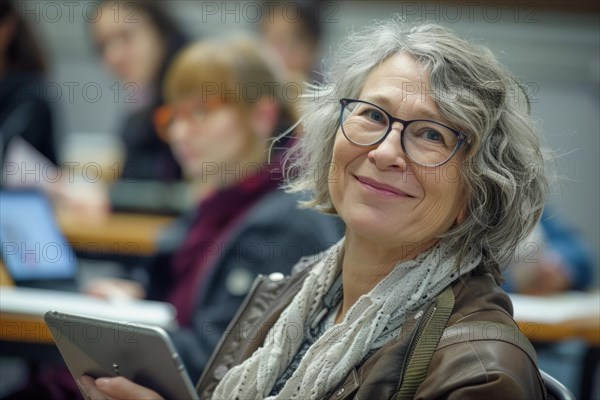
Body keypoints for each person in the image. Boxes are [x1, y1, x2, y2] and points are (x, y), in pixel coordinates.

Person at [80, 18, 550, 399]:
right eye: (373, 115)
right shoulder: (290, 295)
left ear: (478, 190)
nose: (387, 151)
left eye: (432, 134)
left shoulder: (482, 374)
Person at [85, 36, 342, 382]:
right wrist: (139, 296)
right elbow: (180, 292)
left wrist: (127, 325)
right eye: (172, 116)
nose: (178, 132)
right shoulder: (221, 201)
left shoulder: (289, 219)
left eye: (200, 111)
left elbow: (221, 361)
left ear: (262, 115)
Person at [90, 0, 186, 181]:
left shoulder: (193, 88)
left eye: (125, 36)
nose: (113, 56)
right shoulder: (145, 95)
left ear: (158, 29)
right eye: (102, 46)